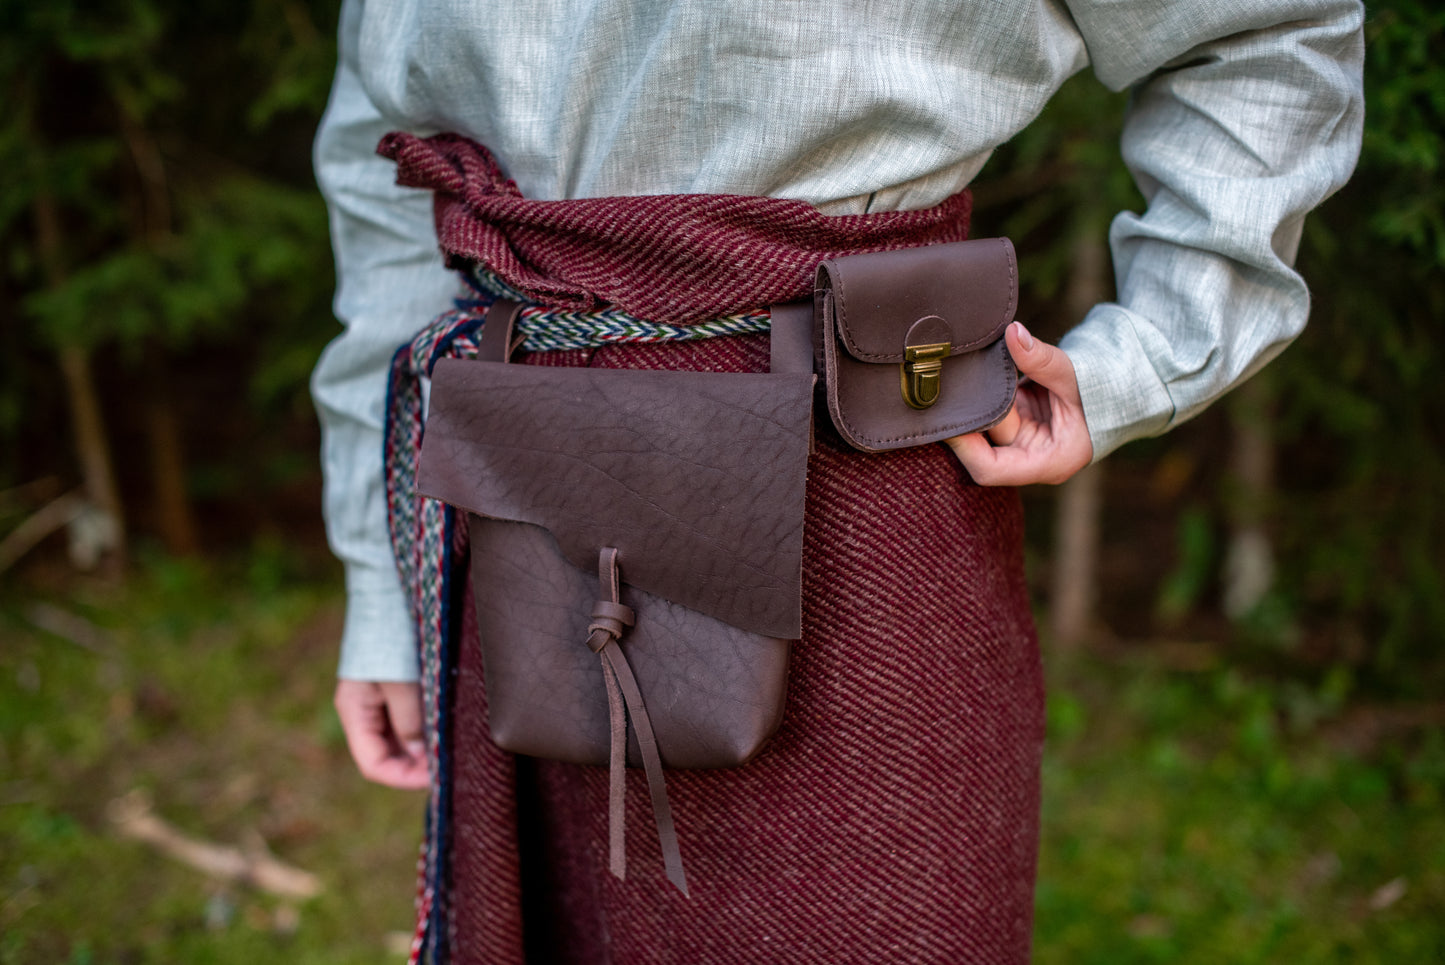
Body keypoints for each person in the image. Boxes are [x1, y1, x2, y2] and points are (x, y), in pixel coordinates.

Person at [312, 1, 1364, 961]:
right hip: (508, 501)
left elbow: (1260, 32)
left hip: (858, 483)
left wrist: (1149, 353)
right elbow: (387, 157)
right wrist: (384, 582)